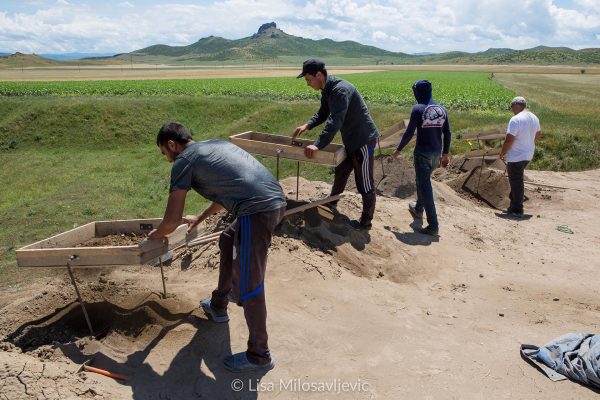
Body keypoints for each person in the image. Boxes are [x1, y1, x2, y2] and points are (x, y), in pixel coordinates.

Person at [148, 122, 287, 372]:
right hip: (272, 202)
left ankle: (260, 354)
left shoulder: (184, 161)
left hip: (256, 212)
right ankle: (218, 304)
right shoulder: (216, 145)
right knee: (227, 239)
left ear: (171, 144)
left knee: (250, 286)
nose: (167, 159)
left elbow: (170, 221)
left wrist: (156, 236)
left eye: (164, 153)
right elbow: (227, 190)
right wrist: (200, 219)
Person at [292, 59, 379, 230]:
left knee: (365, 182)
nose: (308, 84)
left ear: (318, 75)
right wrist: (307, 125)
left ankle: (365, 222)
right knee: (341, 170)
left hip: (363, 139)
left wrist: (318, 145)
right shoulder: (328, 89)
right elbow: (324, 113)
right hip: (351, 140)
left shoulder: (340, 90)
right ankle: (332, 202)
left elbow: (335, 121)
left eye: (308, 79)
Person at [392, 80, 451, 236]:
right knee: (421, 180)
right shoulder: (441, 109)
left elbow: (409, 132)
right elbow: (448, 133)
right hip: (436, 154)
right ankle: (418, 208)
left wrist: (398, 149)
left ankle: (433, 225)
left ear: (418, 92)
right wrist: (445, 154)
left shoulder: (418, 109)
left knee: (426, 187)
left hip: (422, 153)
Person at [499, 96, 541, 216]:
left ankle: (517, 208)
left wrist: (502, 153)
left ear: (515, 105)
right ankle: (514, 203)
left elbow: (509, 139)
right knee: (517, 179)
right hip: (528, 154)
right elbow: (538, 136)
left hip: (516, 155)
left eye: (512, 106)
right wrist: (527, 140)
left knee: (516, 181)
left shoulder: (515, 119)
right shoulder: (534, 118)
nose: (512, 109)